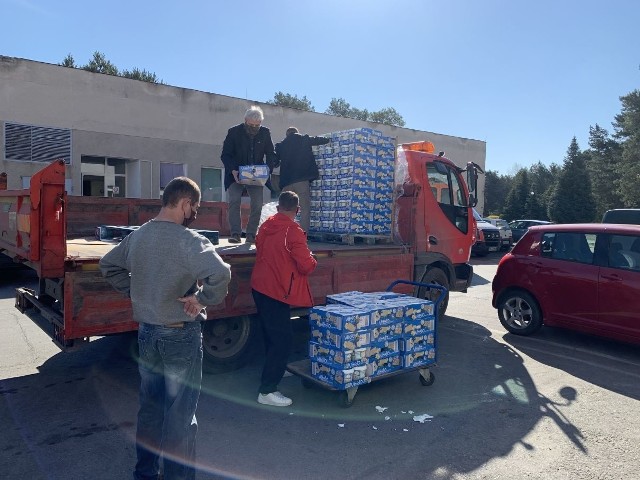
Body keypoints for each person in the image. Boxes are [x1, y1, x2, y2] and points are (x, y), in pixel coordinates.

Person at [99, 176, 232, 480]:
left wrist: (135, 292)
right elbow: (220, 274)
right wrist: (201, 300)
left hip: (147, 334)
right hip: (180, 337)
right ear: (185, 204)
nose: (194, 214)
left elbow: (109, 265)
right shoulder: (189, 241)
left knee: (150, 409)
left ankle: (145, 474)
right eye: (194, 208)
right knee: (180, 417)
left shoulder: (138, 236)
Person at [250, 191, 317, 406]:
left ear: (278, 207)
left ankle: (275, 370)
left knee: (271, 335)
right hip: (277, 291)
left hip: (259, 286)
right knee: (283, 340)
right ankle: (267, 390)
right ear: (297, 210)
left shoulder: (266, 226)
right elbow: (306, 265)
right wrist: (313, 259)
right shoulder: (293, 231)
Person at [221, 105, 277, 244]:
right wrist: (233, 170)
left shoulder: (265, 132)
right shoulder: (233, 132)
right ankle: (235, 233)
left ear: (261, 123)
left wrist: (267, 170)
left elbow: (271, 154)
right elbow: (225, 155)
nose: (254, 128)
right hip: (236, 173)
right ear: (245, 120)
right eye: (251, 125)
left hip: (256, 175)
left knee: (257, 204)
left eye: (257, 125)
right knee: (234, 201)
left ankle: (251, 234)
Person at [275, 127, 330, 232]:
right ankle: (303, 234)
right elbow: (318, 140)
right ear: (297, 133)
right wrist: (328, 139)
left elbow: (275, 162)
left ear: (287, 135)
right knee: (304, 208)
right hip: (302, 180)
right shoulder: (303, 139)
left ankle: (281, 231)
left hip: (286, 182)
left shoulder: (280, 145)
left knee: (283, 208)